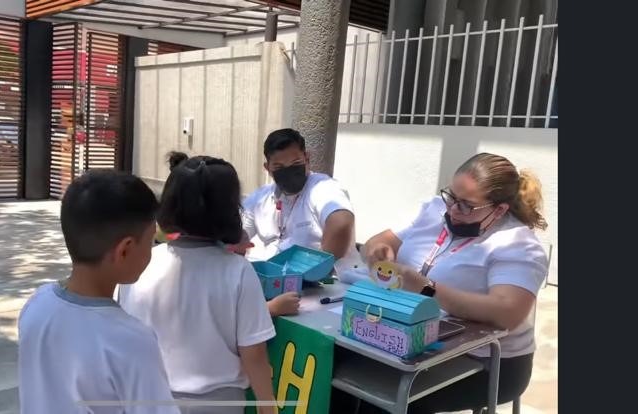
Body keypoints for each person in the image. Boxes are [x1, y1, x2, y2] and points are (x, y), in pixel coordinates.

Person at [355, 153, 549, 413]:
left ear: (499, 210)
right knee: (336, 369)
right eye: (451, 197)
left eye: (467, 206)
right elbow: (378, 241)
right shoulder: (436, 209)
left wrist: (427, 289)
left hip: (484, 361)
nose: (453, 210)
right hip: (414, 336)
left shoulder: (517, 244)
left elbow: (507, 313)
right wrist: (376, 251)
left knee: (381, 395)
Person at [119, 153, 277, 414]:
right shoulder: (237, 271)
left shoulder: (141, 263)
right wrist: (267, 406)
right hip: (217, 403)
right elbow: (254, 354)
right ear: (230, 209)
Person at [18, 170, 179, 414]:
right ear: (124, 250)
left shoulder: (36, 305)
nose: (152, 249)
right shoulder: (131, 340)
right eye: (150, 241)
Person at [240, 128, 361, 316]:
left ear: (307, 158)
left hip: (323, 291)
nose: (289, 171)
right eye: (279, 167)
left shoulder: (323, 187)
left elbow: (341, 223)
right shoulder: (261, 198)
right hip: (276, 289)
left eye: (296, 163)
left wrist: (317, 269)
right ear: (267, 168)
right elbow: (237, 235)